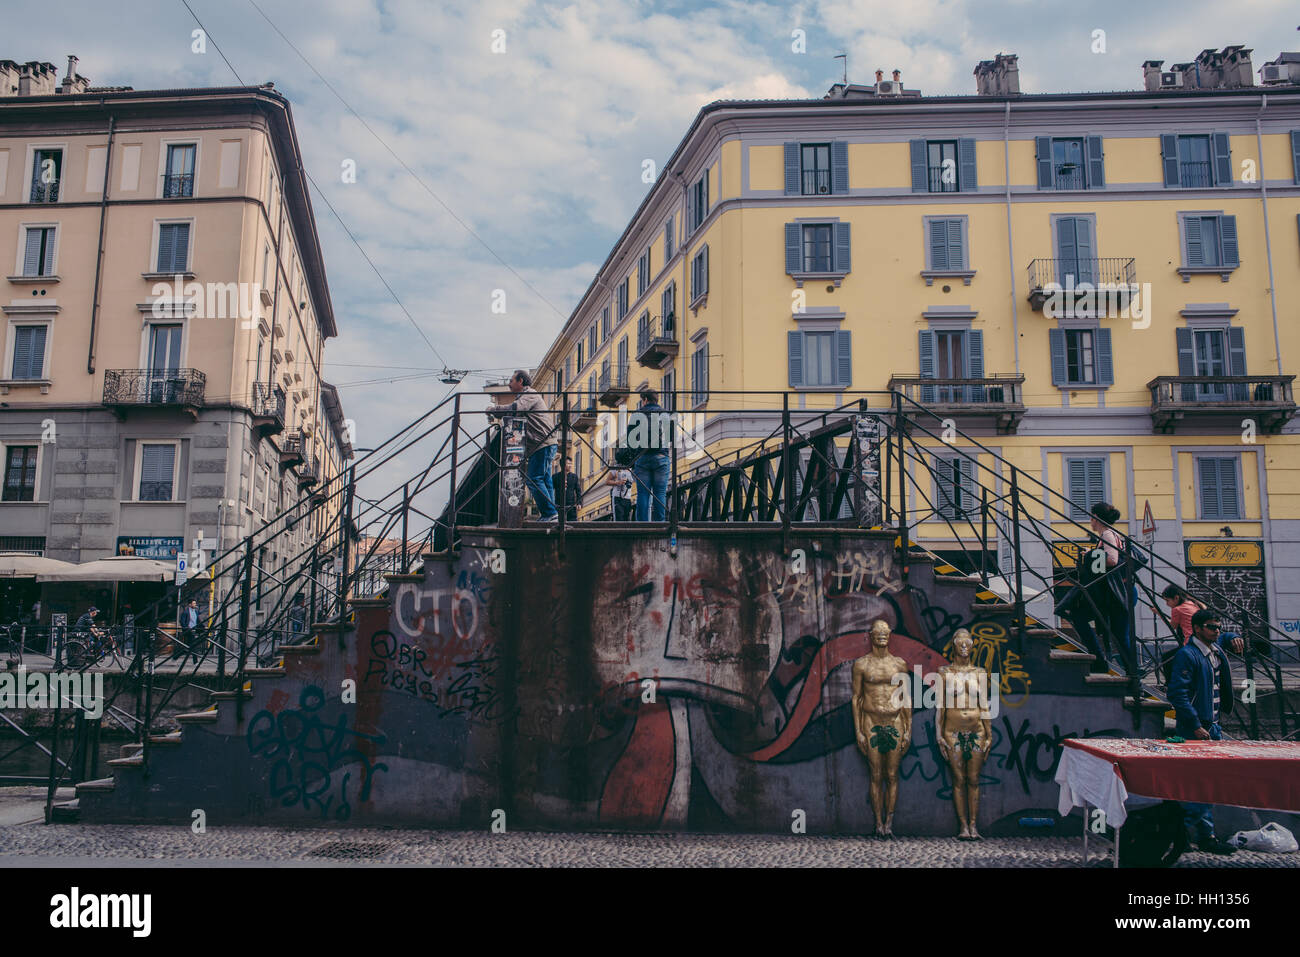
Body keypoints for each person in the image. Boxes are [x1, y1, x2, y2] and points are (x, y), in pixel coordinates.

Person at [1167, 609, 1241, 855]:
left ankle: (1203, 834)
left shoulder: (1213, 648)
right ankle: (1180, 832)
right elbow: (1178, 694)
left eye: (1218, 627)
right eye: (1211, 627)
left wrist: (1231, 636)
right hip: (1195, 729)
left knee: (1209, 784)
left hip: (1213, 726)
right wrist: (1195, 724)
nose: (1216, 631)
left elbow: (1225, 637)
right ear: (1197, 629)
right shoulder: (1188, 655)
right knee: (1199, 784)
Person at [487, 370, 558, 521]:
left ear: (520, 381)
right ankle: (552, 514)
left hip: (543, 442)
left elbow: (515, 409)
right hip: (543, 442)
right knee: (544, 479)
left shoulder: (529, 394)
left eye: (512, 380)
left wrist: (493, 409)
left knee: (533, 478)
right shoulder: (524, 397)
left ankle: (550, 513)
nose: (509, 384)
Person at [628, 389, 672, 522]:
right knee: (660, 493)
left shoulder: (637, 414)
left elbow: (630, 439)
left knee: (643, 494)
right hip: (661, 457)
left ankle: (642, 524)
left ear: (645, 399)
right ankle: (660, 523)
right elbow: (671, 436)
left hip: (642, 457)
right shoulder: (665, 414)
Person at [558, 457, 582, 522]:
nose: (570, 465)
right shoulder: (556, 477)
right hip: (558, 505)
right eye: (568, 463)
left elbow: (578, 491)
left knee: (573, 523)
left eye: (571, 464)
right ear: (563, 464)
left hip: (571, 506)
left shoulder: (574, 476)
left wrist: (579, 503)